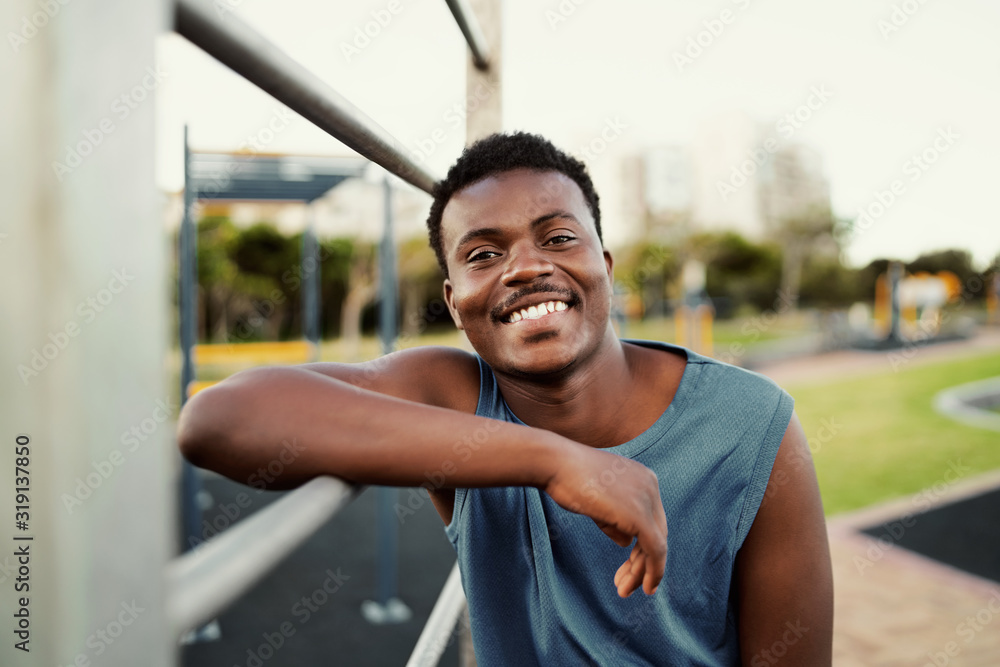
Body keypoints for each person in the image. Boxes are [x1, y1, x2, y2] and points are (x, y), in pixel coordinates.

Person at [178, 131, 833, 665]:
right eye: (484, 253)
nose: (524, 266)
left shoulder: (753, 423)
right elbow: (219, 419)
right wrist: (555, 460)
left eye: (556, 238)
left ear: (605, 265)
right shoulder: (454, 395)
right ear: (454, 302)